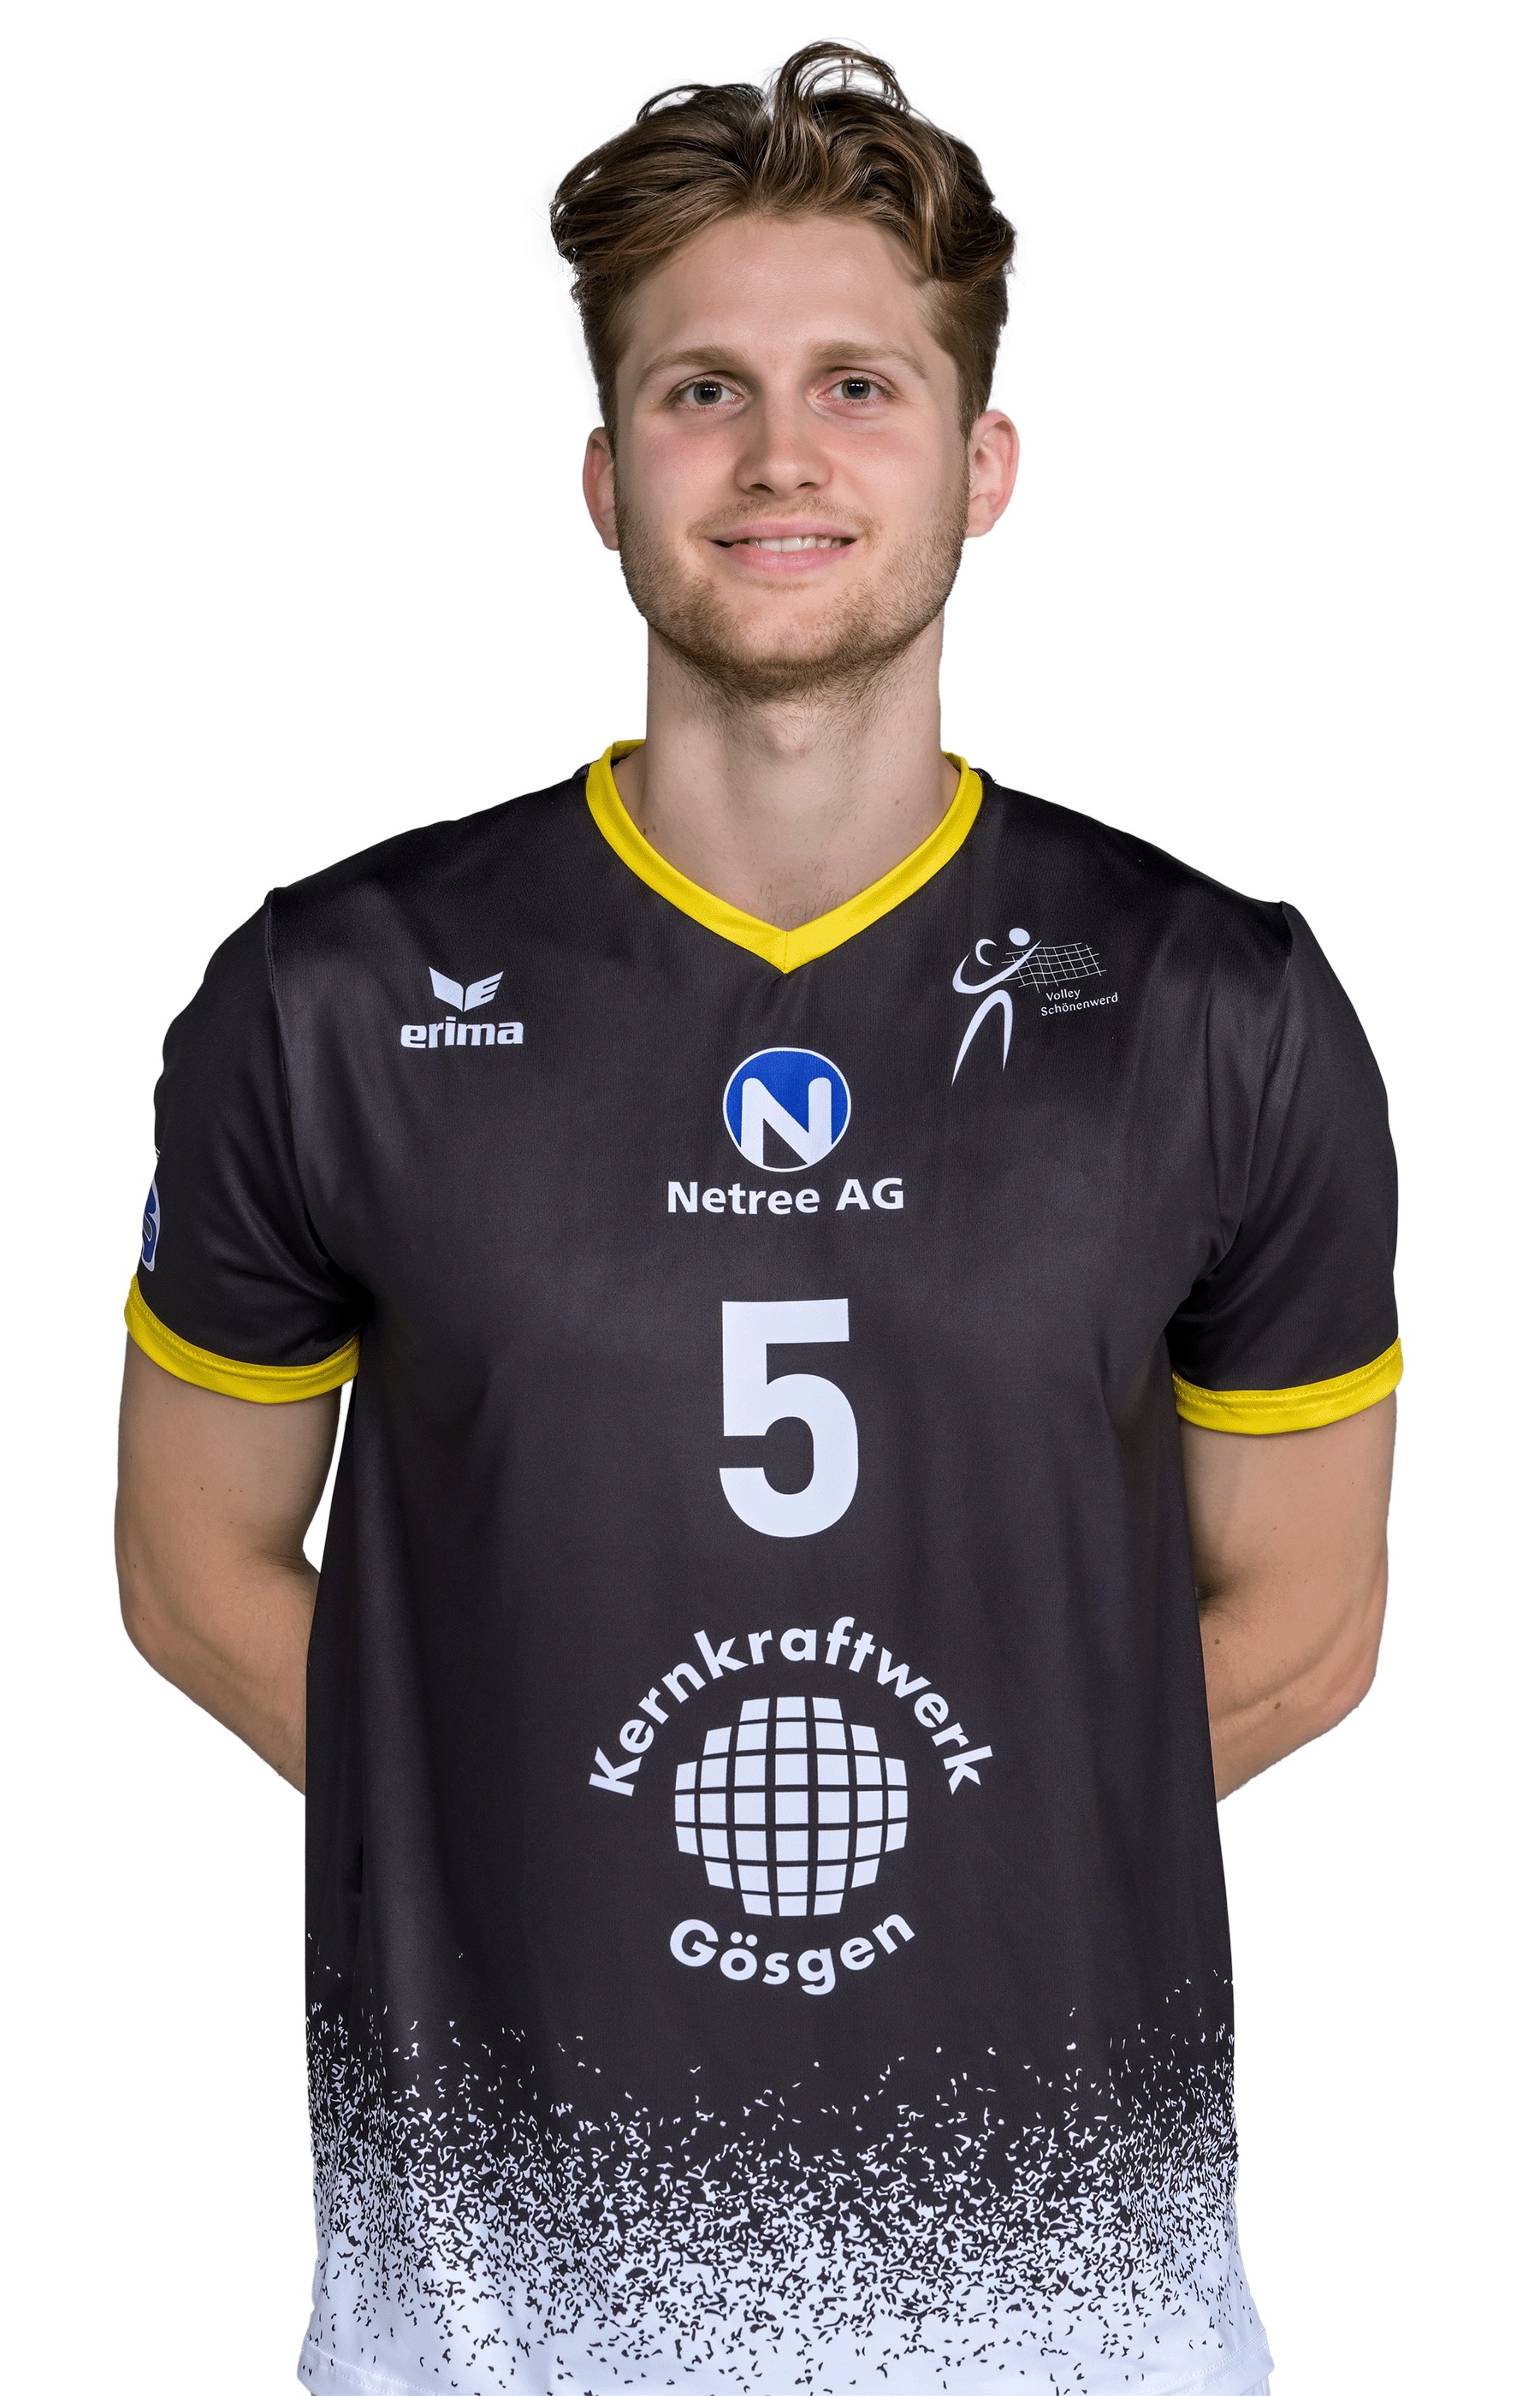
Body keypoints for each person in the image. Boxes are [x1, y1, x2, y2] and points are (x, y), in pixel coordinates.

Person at [116, 44, 1399, 2396]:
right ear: (608, 476)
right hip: (496, 2321)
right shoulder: (336, 997)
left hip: (1071, 2318)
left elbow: (1308, 1628)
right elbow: (192, 1573)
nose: (781, 456)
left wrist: (945, 1849)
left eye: (859, 387)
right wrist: (553, 1849)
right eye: (703, 390)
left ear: (981, 464)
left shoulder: (1217, 1006)